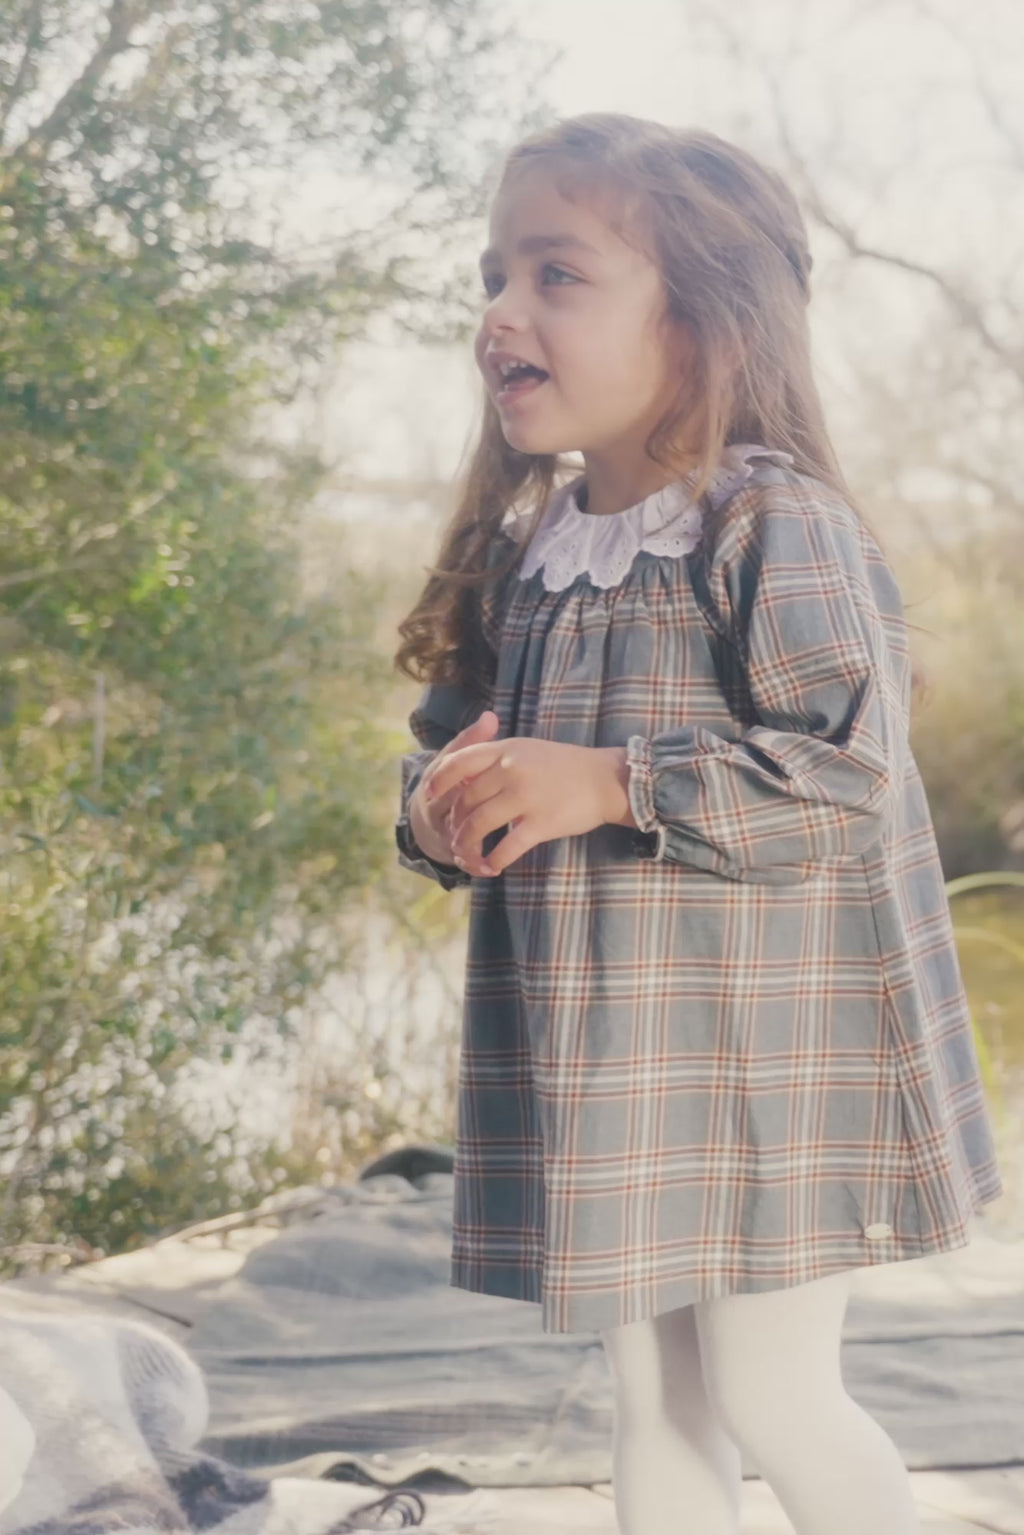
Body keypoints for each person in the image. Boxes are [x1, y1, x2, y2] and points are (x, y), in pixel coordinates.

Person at [392, 113, 1003, 1535]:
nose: (500, 314)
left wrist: (608, 782)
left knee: (770, 1394)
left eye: (557, 274)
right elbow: (453, 762)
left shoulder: (767, 523)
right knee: (653, 1400)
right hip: (618, 1078)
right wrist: (443, 810)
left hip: (777, 1064)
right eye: (495, 274)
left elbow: (849, 776)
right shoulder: (531, 554)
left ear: (706, 320)